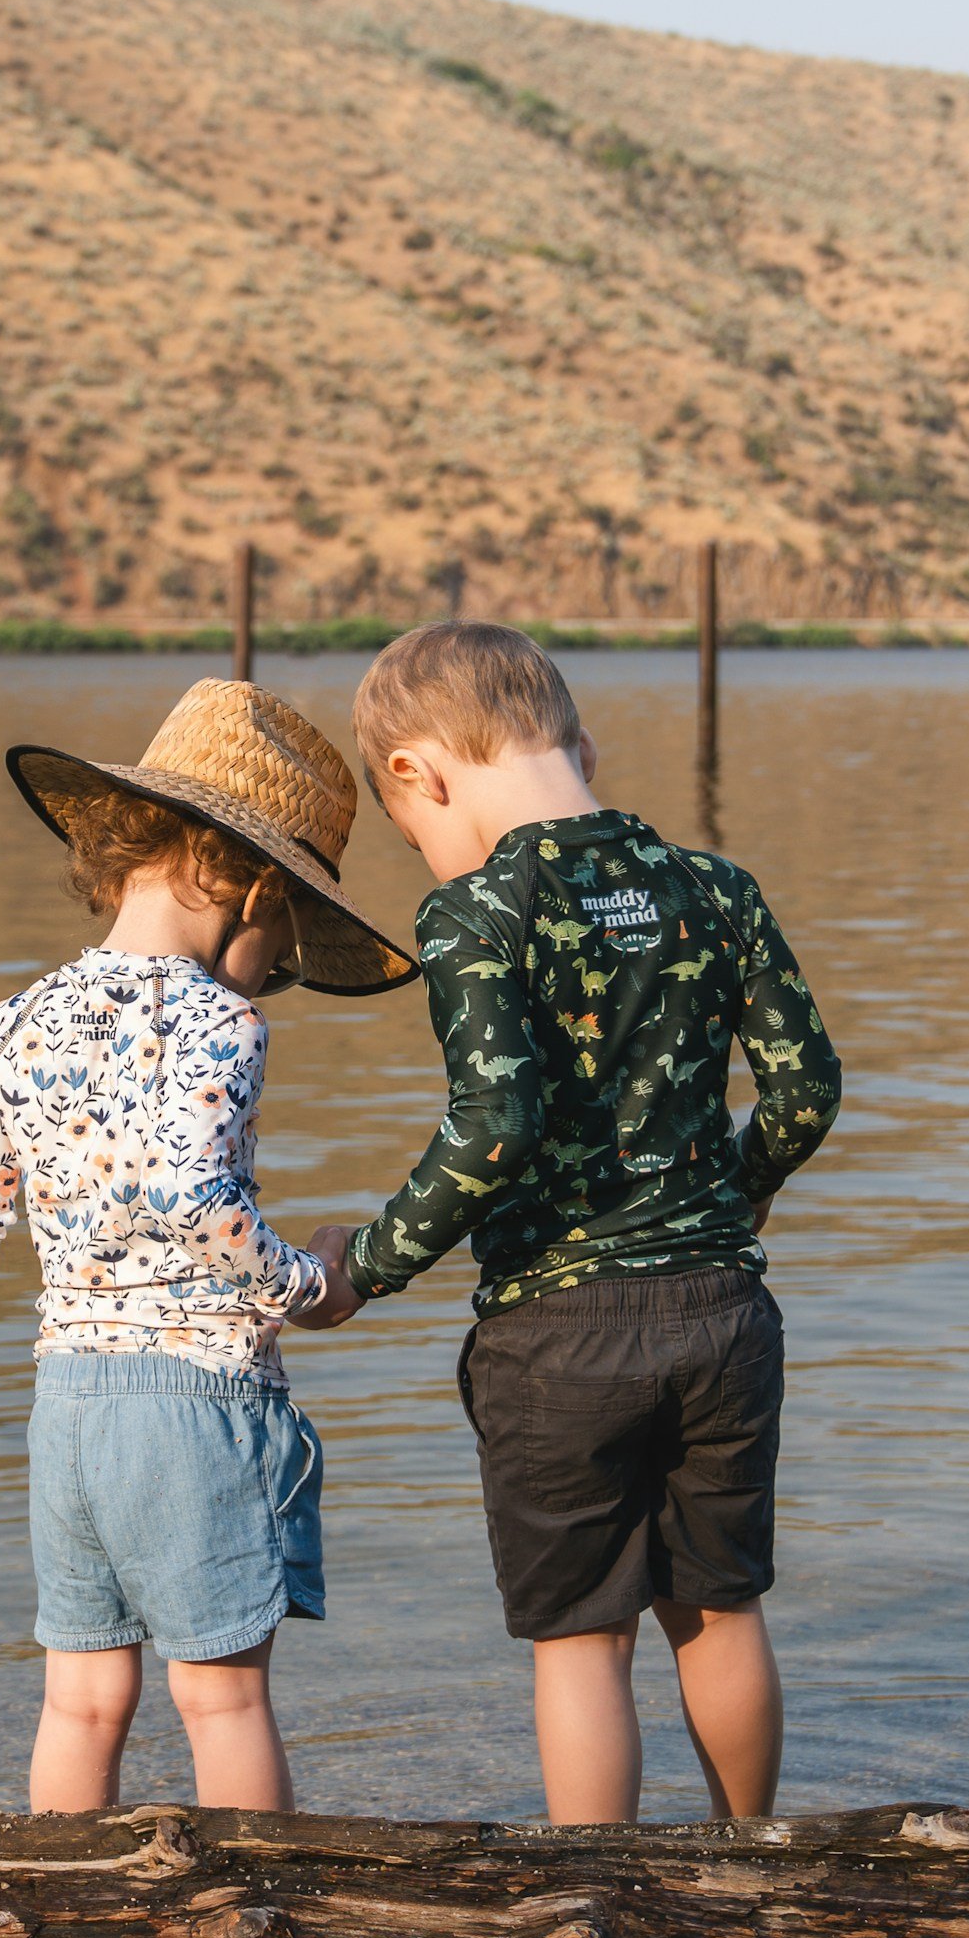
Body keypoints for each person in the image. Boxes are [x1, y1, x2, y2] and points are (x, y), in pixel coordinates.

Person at [307, 623, 840, 1825]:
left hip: (559, 1336)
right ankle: (757, 1864)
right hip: (721, 1314)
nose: (425, 851)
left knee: (581, 1641)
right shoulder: (715, 888)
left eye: (411, 832)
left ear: (416, 773)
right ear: (578, 743)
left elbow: (494, 1126)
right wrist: (742, 1182)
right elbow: (805, 1087)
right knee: (718, 1610)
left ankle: (597, 1908)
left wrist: (369, 1266)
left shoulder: (472, 913)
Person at [0, 678, 415, 1813]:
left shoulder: (19, 1015)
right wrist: (310, 1285)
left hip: (67, 1410)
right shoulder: (218, 1020)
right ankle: (263, 1921)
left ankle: (57, 1917)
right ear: (250, 884)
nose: (272, 970)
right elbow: (193, 1191)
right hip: (196, 1408)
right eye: (282, 940)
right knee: (220, 1702)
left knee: (78, 1701)